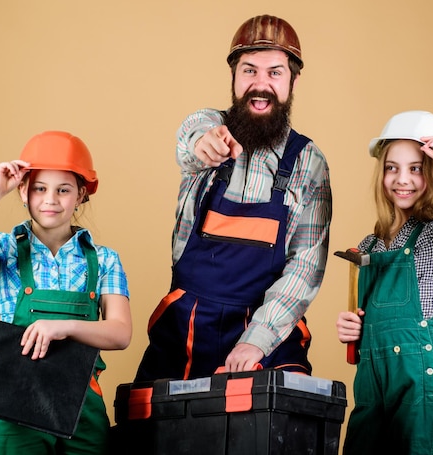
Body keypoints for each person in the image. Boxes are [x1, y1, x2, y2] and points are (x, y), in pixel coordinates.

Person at [134, 14, 332, 381]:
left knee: (281, 422)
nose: (261, 84)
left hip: (266, 330)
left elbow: (305, 266)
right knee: (152, 427)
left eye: (274, 72)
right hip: (186, 327)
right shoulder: (210, 129)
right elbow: (191, 137)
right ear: (233, 76)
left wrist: (256, 340)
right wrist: (204, 144)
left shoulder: (309, 163)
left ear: (293, 80)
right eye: (249, 71)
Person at [0, 131, 132, 454]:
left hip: (82, 407)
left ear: (81, 195)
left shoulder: (104, 259)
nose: (51, 199)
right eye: (39, 189)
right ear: (23, 192)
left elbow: (120, 333)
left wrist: (62, 326)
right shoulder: (6, 250)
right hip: (15, 404)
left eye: (63, 190)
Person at [336, 110, 433, 454]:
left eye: (415, 168)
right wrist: (352, 327)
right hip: (373, 383)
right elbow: (370, 320)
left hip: (422, 380)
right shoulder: (369, 246)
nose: (401, 178)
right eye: (392, 167)